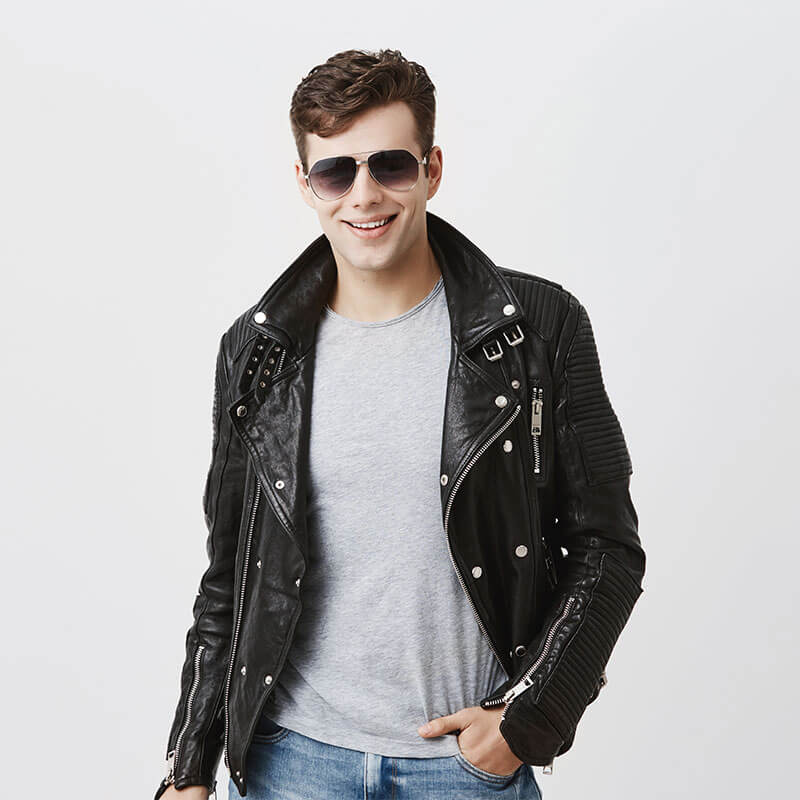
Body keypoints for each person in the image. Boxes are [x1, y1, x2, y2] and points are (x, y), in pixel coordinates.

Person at [154, 48, 646, 800]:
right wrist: (188, 767)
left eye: (390, 165)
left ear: (431, 169)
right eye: (335, 172)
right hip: (294, 763)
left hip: (464, 769)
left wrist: (527, 721)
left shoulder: (540, 328)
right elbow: (231, 577)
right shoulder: (256, 353)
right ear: (305, 184)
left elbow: (607, 549)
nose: (364, 195)